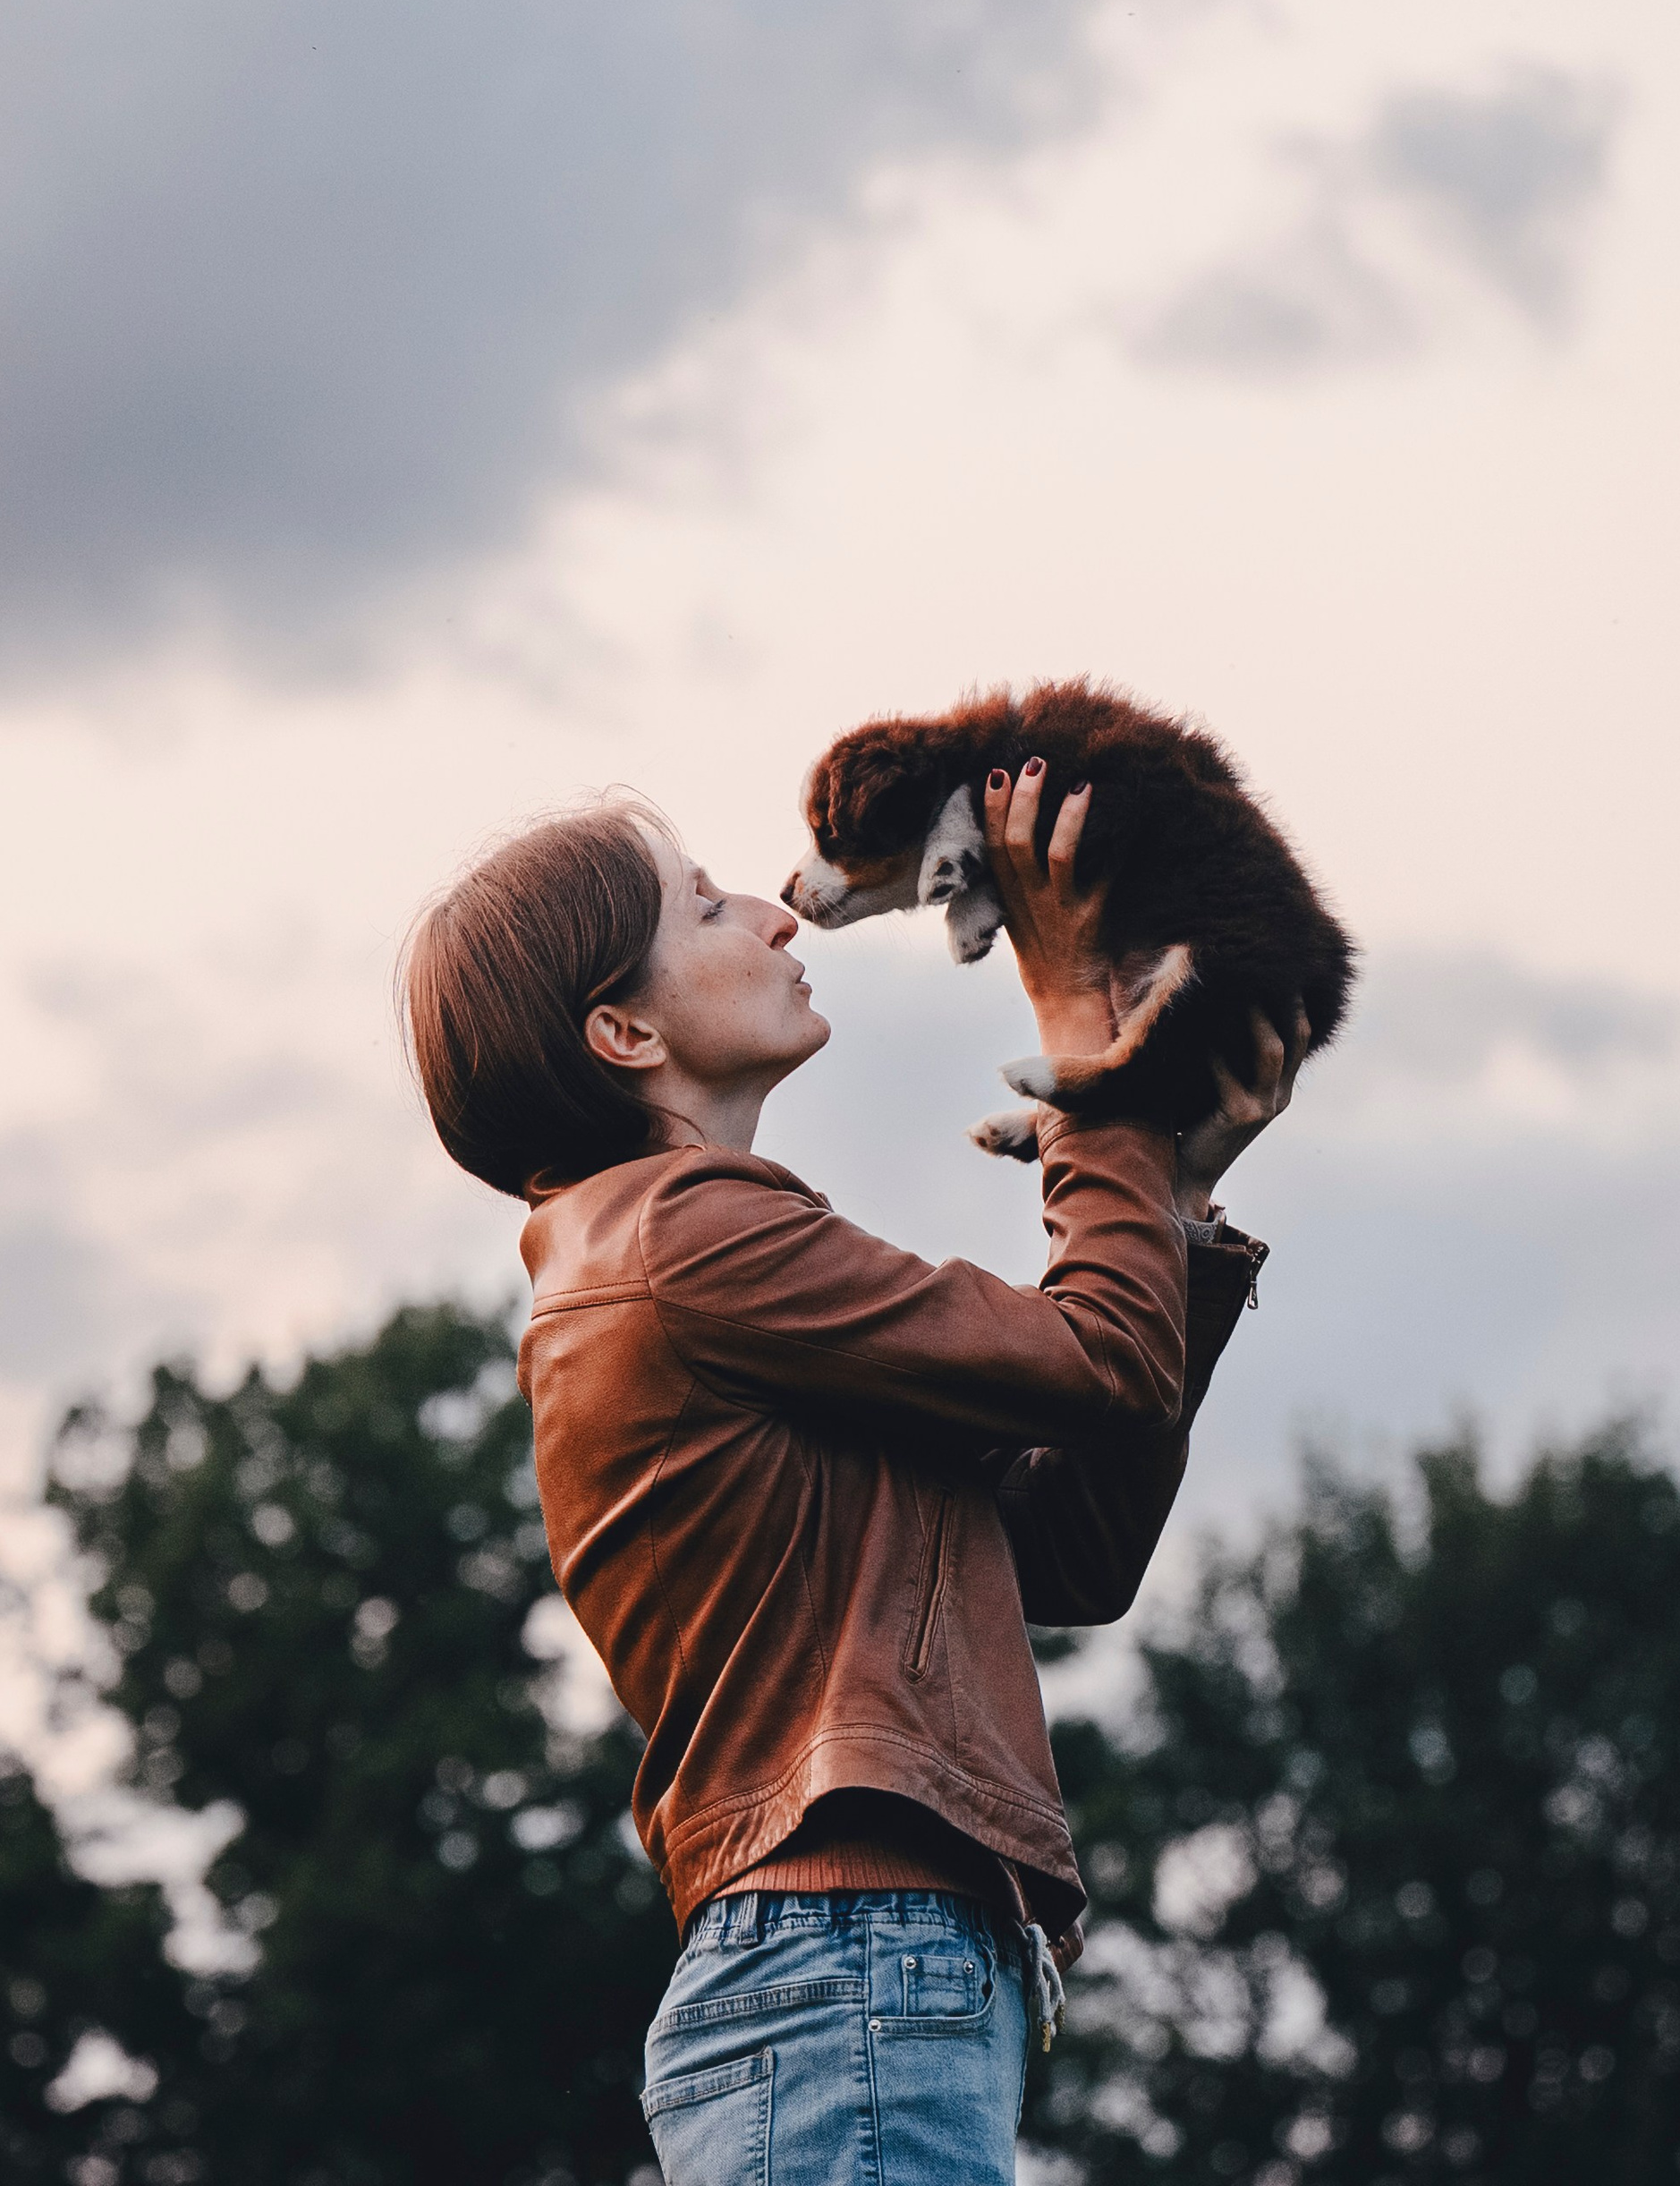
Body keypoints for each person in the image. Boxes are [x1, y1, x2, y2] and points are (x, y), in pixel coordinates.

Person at [401, 758, 1305, 2184]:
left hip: (858, 1978)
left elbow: (1072, 1551)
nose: (776, 915)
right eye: (705, 908)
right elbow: (1102, 1360)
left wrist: (1170, 1200)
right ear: (624, 1030)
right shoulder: (681, 1244)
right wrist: (1088, 1044)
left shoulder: (689, 1265)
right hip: (850, 1968)